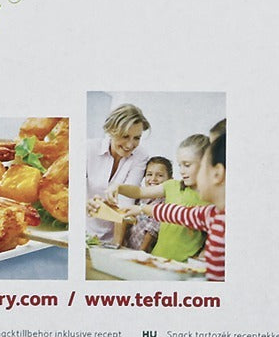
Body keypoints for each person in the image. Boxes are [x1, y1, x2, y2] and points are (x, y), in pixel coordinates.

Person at [136, 130, 225, 280]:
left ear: (217, 173)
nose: (183, 173)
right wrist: (138, 208)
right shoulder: (209, 214)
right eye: (180, 166)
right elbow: (173, 213)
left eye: (188, 165)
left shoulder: (214, 213)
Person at [86, 103, 150, 243]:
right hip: (83, 230)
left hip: (113, 237)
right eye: (125, 136)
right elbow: (72, 192)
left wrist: (116, 245)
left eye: (137, 138)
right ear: (111, 131)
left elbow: (126, 202)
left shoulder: (140, 156)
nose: (130, 145)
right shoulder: (88, 149)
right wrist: (85, 203)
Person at [114, 157, 171, 251]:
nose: (153, 179)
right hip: (128, 247)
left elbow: (152, 231)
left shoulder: (164, 203)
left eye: (160, 175)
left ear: (170, 180)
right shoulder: (141, 198)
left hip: (144, 250)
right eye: (149, 174)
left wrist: (141, 252)